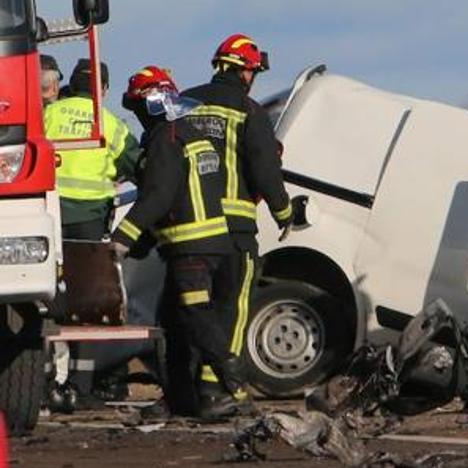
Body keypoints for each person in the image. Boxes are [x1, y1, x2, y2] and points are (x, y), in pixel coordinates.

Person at [112, 65, 252, 419]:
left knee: (195, 318)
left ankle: (236, 388)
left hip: (190, 249)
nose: (138, 115)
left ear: (150, 104)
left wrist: (122, 239)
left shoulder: (166, 138)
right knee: (173, 323)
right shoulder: (193, 134)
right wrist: (143, 244)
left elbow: (159, 196)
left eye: (137, 106)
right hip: (211, 244)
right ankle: (180, 400)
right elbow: (181, 195)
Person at [181, 33, 292, 414]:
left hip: (188, 229)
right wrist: (284, 212)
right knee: (232, 307)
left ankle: (185, 389)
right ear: (246, 72)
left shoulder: (185, 104)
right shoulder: (249, 111)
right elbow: (265, 168)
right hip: (235, 230)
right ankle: (218, 390)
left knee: (192, 309)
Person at [44, 59, 140, 240]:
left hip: (49, 209)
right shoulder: (112, 124)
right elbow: (136, 165)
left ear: (72, 84)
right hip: (92, 214)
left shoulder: (48, 114)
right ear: (103, 89)